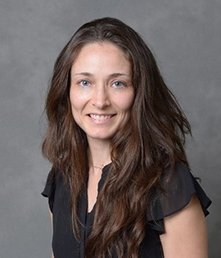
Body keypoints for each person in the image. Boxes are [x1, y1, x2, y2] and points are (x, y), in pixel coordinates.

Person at [41, 17, 211, 258]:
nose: (100, 101)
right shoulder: (61, 179)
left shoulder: (169, 186)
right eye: (85, 82)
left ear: (139, 92)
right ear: (67, 90)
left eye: (118, 83)